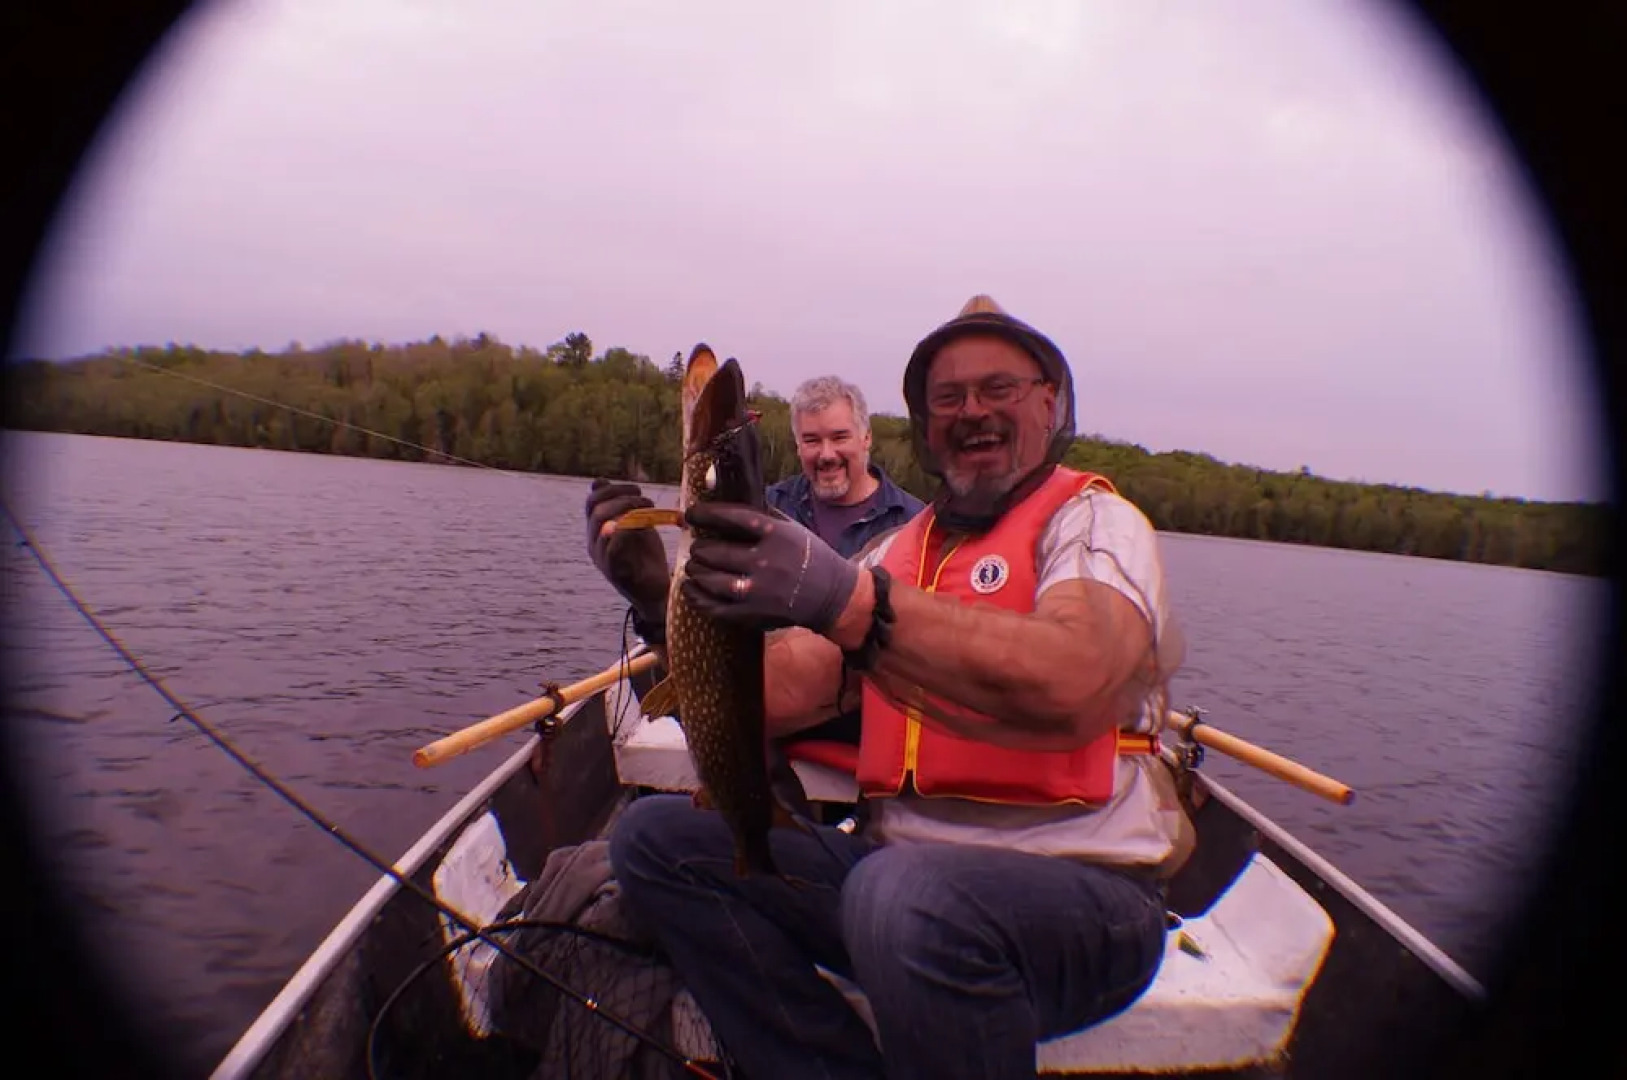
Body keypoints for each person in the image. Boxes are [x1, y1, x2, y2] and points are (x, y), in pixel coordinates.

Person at [582, 295, 1193, 1080]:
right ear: (923, 422)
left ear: (1050, 404)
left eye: (998, 388)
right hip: (896, 892)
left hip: (1083, 906)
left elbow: (1077, 676)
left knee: (901, 895)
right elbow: (767, 696)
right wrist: (658, 605)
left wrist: (846, 600)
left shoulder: (1095, 525)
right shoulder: (902, 551)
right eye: (947, 397)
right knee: (657, 843)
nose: (972, 411)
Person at [766, 375, 924, 560]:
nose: (826, 454)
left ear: (866, 438)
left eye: (839, 437)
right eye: (812, 440)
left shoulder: (913, 523)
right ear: (798, 445)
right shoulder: (770, 509)